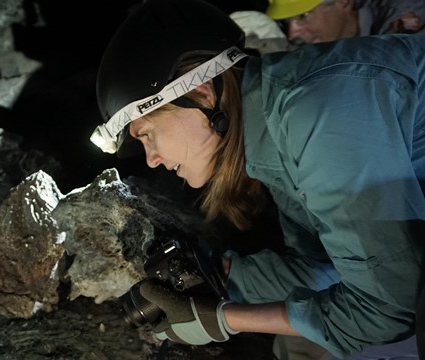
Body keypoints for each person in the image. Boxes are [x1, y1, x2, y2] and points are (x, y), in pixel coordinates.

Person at [89, 0, 425, 359]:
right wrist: (216, 278)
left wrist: (225, 319)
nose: (152, 160)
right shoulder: (274, 123)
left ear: (200, 93)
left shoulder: (314, 111)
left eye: (146, 135)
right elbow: (322, 269)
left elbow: (391, 309)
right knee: (300, 346)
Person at [265, 0, 425, 45]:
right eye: (286, 21)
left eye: (303, 16)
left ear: (343, 2)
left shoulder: (403, 13)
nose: (292, 34)